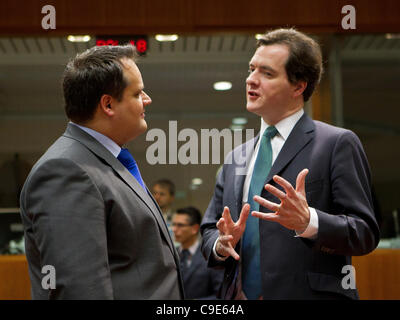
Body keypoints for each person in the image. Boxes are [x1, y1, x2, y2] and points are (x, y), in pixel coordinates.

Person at [200, 28, 380, 300]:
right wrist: (221, 245)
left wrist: (310, 221)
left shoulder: (337, 143)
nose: (251, 80)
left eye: (267, 73)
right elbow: (209, 229)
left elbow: (364, 232)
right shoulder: (236, 156)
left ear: (299, 85)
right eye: (251, 69)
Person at [19, 45, 184, 299]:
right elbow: (80, 289)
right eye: (138, 93)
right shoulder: (65, 170)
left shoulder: (108, 160)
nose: (147, 100)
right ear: (108, 104)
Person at [172, 206, 223, 299]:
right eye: (174, 224)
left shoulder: (210, 255)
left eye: (180, 225)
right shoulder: (171, 254)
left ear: (194, 229)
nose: (174, 229)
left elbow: (221, 294)